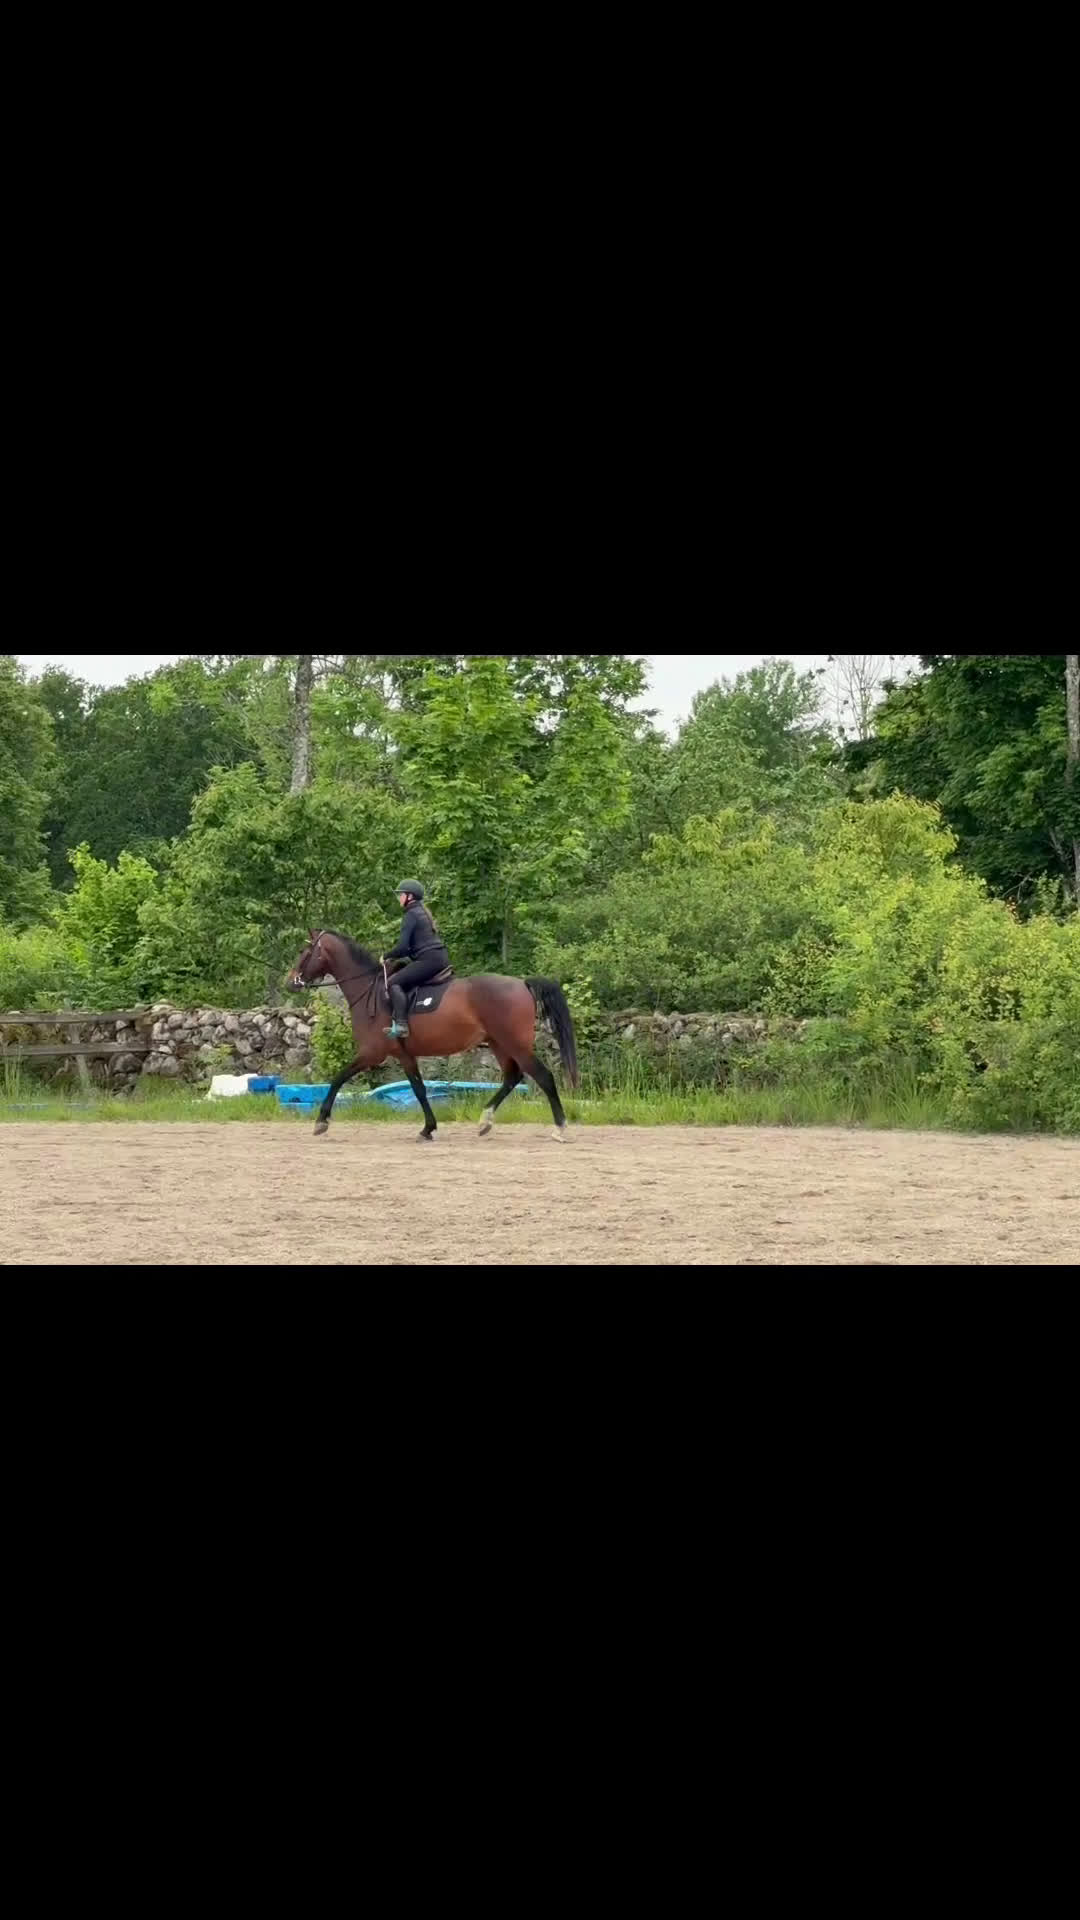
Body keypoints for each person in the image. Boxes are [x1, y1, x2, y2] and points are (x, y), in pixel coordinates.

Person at [380, 881, 451, 1039]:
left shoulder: (410, 915)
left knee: (393, 983)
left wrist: (386, 956)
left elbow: (403, 947)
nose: (399, 897)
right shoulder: (422, 912)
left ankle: (401, 1025)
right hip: (439, 958)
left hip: (429, 961)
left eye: (401, 894)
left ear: (409, 896)